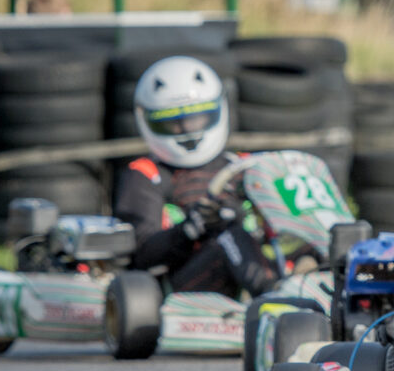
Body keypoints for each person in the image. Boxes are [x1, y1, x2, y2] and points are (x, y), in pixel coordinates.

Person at [114, 55, 278, 298]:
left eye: (196, 117)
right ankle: (276, 298)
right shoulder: (146, 175)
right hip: (181, 288)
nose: (188, 130)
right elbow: (142, 256)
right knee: (229, 238)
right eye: (173, 122)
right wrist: (191, 228)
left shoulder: (243, 166)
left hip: (252, 269)